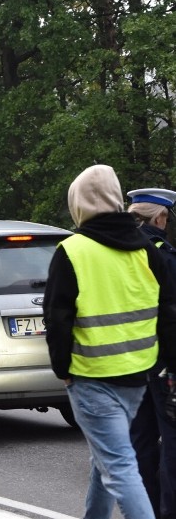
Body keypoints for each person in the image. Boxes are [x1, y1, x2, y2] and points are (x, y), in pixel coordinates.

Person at [44, 165, 176, 519]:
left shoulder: (72, 251)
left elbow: (57, 319)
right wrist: (162, 361)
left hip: (92, 376)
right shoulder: (147, 250)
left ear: (79, 206)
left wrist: (63, 370)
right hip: (138, 374)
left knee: (119, 467)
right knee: (105, 458)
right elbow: (168, 313)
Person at [127, 187, 176, 519]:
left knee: (141, 437)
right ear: (160, 217)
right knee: (172, 438)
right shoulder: (164, 255)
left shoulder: (121, 252)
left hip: (129, 359)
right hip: (163, 360)